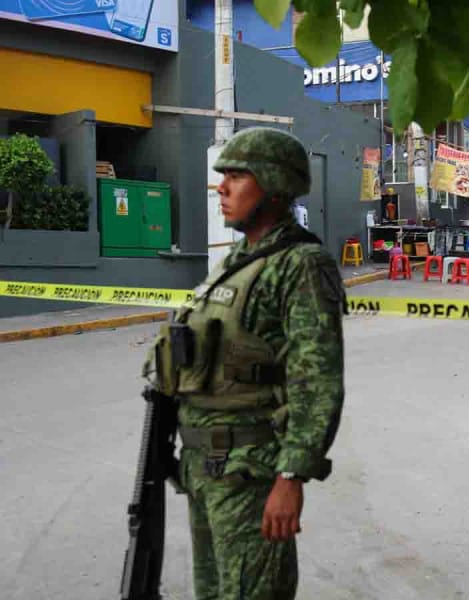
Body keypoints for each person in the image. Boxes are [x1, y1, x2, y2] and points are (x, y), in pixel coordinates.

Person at [145, 127, 346, 599]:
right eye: (224, 177)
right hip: (206, 469)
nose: (222, 187)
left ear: (274, 186)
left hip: (251, 473)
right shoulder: (236, 259)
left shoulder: (300, 264)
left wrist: (291, 476)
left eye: (237, 176)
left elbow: (317, 381)